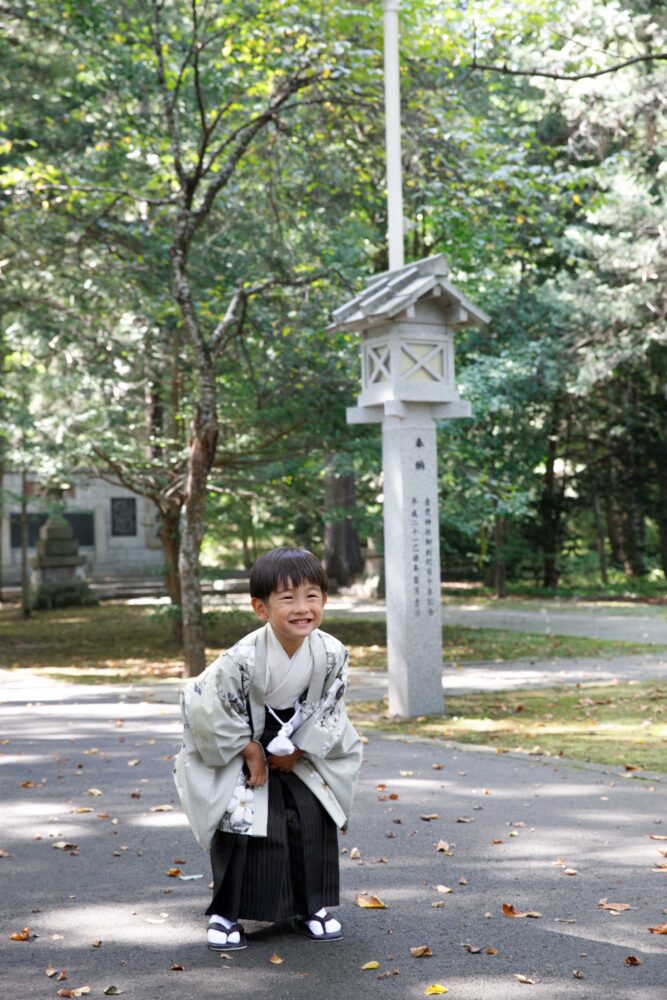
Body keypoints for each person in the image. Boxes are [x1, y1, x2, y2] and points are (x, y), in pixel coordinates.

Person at [173, 547, 363, 951]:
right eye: (288, 598)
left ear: (325, 600)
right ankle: (226, 913)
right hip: (240, 748)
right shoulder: (240, 659)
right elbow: (203, 705)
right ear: (261, 607)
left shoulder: (332, 653)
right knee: (242, 819)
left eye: (312, 596)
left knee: (312, 815)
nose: (302, 608)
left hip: (299, 750)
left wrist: (299, 751)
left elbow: (330, 710)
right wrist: (249, 750)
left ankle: (311, 907)